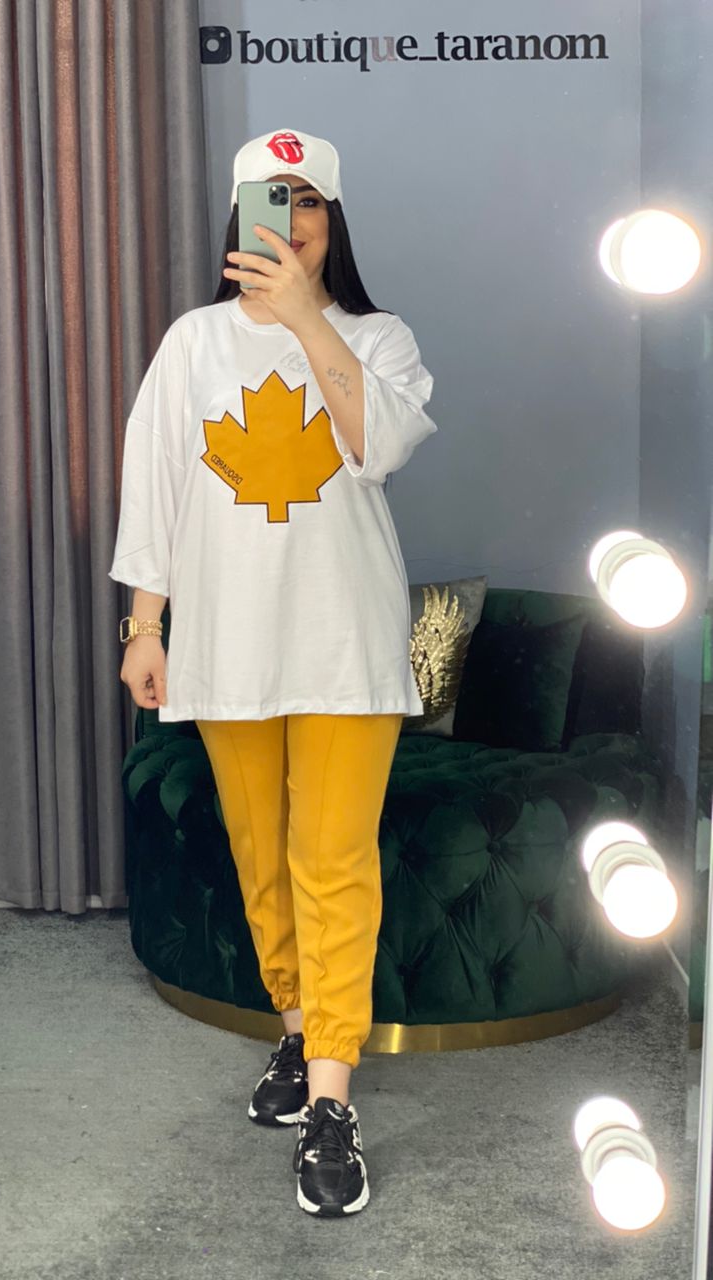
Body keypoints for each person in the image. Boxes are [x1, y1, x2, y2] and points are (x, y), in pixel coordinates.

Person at [109, 127, 437, 1217]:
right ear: (238, 213)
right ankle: (296, 1031)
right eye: (270, 198)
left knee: (332, 859)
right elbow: (155, 485)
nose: (290, 221)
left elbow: (376, 446)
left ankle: (332, 1098)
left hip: (344, 641)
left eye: (308, 202)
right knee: (262, 858)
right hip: (227, 640)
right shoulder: (193, 343)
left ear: (333, 221)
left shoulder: (378, 338)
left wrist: (304, 318)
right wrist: (144, 625)